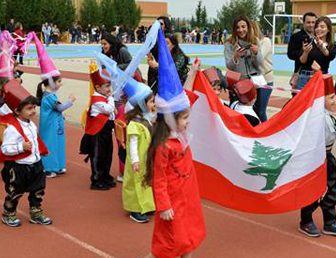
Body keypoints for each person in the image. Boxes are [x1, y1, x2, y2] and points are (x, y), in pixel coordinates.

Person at [145, 28, 205, 258]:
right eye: (185, 119)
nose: (188, 122)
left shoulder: (179, 131)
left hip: (187, 196)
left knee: (188, 237)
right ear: (170, 118)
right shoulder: (164, 145)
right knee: (169, 243)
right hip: (172, 201)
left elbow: (186, 96)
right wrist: (163, 206)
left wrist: (192, 73)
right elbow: (159, 179)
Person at [0, 79, 52, 227]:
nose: (33, 111)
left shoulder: (31, 124)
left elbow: (36, 141)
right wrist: (20, 147)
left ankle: (36, 212)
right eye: (29, 108)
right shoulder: (12, 128)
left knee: (38, 190)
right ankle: (8, 213)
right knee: (15, 192)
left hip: (35, 164)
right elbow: (5, 149)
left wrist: (40, 152)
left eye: (34, 107)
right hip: (19, 167)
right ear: (17, 110)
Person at [32, 32, 76, 178]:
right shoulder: (49, 96)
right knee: (50, 145)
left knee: (57, 144)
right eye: (58, 81)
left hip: (55, 126)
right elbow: (59, 107)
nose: (60, 84)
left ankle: (58, 165)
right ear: (50, 82)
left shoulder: (51, 95)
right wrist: (70, 101)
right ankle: (48, 167)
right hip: (50, 127)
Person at [298, 74, 336, 237]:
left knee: (332, 189)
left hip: (328, 157)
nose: (335, 100)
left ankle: (330, 220)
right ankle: (305, 220)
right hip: (314, 160)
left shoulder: (331, 114)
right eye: (332, 97)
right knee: (313, 191)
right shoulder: (315, 117)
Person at [122, 80, 156, 223]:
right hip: (138, 160)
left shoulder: (145, 119)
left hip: (146, 158)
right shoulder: (135, 124)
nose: (153, 105)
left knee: (146, 181)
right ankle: (135, 209)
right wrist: (135, 160)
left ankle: (147, 204)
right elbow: (133, 144)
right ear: (142, 104)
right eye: (151, 102)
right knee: (136, 183)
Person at [80, 69, 116, 190]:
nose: (109, 89)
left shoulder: (103, 97)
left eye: (109, 85)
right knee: (98, 156)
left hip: (106, 132)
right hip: (97, 133)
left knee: (107, 155)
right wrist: (111, 98)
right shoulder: (97, 100)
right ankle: (96, 179)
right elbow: (109, 109)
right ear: (98, 87)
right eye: (106, 86)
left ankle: (105, 176)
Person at [287, 12, 317, 91]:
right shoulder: (296, 36)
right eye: (308, 22)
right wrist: (303, 52)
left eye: (313, 22)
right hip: (302, 75)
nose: (311, 25)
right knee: (299, 102)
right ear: (303, 23)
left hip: (317, 76)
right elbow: (290, 54)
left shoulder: (318, 37)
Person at [250, 21, 273, 122]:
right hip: (253, 79)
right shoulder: (248, 43)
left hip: (265, 78)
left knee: (260, 110)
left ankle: (265, 131)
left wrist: (255, 44)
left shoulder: (265, 41)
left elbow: (260, 57)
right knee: (253, 109)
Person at [147, 16, 172, 93]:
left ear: (166, 26)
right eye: (157, 23)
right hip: (152, 69)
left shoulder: (169, 39)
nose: (158, 25)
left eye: (161, 23)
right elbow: (148, 52)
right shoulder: (153, 38)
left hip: (163, 69)